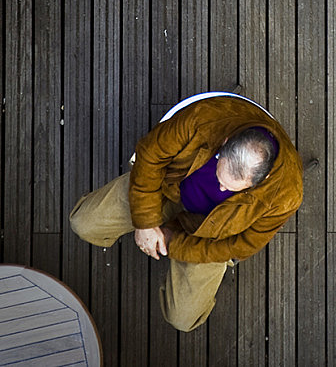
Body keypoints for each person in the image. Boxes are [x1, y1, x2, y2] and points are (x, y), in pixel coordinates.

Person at [69, 95, 303, 331]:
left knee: (182, 320)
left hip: (210, 235)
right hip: (166, 190)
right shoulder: (204, 116)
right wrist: (144, 221)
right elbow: (150, 155)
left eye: (229, 189)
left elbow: (240, 246)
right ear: (226, 141)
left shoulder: (286, 195)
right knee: (83, 224)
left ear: (265, 179)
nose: (219, 188)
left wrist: (175, 242)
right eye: (219, 176)